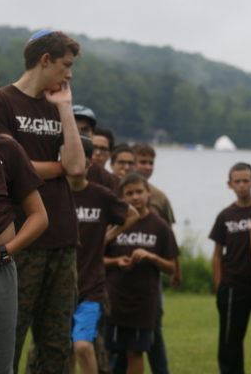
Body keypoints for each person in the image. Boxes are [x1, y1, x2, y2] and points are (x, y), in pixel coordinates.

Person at [0, 29, 85, 373]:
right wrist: (57, 168)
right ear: (45, 60)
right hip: (21, 239)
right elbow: (6, 165)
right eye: (66, 65)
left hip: (62, 237)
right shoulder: (3, 101)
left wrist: (65, 109)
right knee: (9, 339)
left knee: (57, 345)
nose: (70, 74)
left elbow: (77, 167)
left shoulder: (57, 105)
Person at [69, 135, 139, 374]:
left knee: (82, 346)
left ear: (90, 164)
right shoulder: (55, 194)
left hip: (91, 287)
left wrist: (106, 237)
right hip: (61, 287)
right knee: (65, 350)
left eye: (81, 160)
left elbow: (131, 215)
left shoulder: (100, 195)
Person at [104, 172, 178, 374]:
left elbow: (171, 267)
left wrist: (151, 257)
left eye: (139, 192)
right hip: (114, 299)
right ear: (122, 197)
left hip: (143, 302)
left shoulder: (160, 226)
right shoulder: (115, 224)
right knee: (107, 351)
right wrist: (116, 262)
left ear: (148, 193)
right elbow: (97, 259)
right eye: (129, 193)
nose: (135, 197)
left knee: (135, 353)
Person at [0, 135, 48, 374]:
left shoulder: (7, 148)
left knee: (2, 364)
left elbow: (39, 217)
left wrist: (5, 251)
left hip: (1, 270)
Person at [131, 142, 179, 374]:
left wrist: (177, 269)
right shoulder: (117, 192)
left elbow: (170, 238)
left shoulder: (159, 198)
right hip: (119, 273)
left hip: (151, 276)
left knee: (154, 328)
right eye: (142, 162)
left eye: (151, 163)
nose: (147, 167)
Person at [209, 162, 251, 374]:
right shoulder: (225, 215)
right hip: (233, 286)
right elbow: (217, 254)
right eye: (237, 181)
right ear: (229, 184)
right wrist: (220, 284)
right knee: (230, 343)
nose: (241, 185)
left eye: (245, 181)